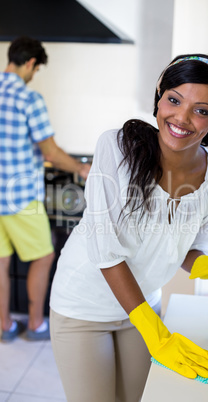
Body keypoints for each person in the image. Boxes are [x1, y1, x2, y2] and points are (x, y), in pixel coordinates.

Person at [49, 54, 208, 402]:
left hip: (144, 305)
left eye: (201, 110)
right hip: (82, 306)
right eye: (174, 100)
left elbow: (193, 247)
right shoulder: (116, 148)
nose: (182, 118)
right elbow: (105, 249)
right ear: (159, 97)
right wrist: (155, 333)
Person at [0, 36, 91, 342]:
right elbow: (50, 152)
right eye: (35, 69)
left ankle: (6, 326)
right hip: (20, 198)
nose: (33, 75)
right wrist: (80, 167)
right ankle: (37, 324)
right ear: (30, 64)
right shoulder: (28, 99)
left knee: (0, 262)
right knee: (43, 257)